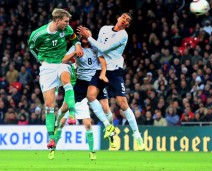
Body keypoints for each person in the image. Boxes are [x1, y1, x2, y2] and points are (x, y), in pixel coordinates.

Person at [77, 12, 145, 150]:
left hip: (114, 71)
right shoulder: (104, 29)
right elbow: (98, 50)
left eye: (127, 20)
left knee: (123, 104)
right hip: (100, 68)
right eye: (123, 17)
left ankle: (137, 135)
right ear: (118, 18)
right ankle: (109, 128)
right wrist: (79, 42)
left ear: (127, 25)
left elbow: (104, 48)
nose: (124, 20)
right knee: (90, 97)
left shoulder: (123, 35)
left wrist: (88, 36)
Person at [48, 29, 113, 160]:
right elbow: (63, 60)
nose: (83, 37)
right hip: (81, 84)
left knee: (102, 110)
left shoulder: (96, 46)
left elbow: (105, 58)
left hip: (94, 81)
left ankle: (107, 135)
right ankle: (53, 147)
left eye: (86, 35)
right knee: (63, 114)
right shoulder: (75, 47)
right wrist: (74, 52)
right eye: (81, 36)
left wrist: (104, 72)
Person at [28, 8, 84, 149]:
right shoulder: (38, 34)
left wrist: (77, 44)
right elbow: (32, 47)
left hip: (61, 62)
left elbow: (74, 38)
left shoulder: (66, 29)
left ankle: (72, 114)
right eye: (65, 21)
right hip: (47, 68)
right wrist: (41, 60)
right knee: (49, 105)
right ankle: (52, 138)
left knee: (66, 79)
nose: (68, 24)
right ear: (57, 20)